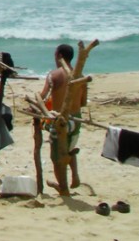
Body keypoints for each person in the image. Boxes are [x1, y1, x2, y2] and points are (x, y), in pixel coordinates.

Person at [42, 43, 86, 191]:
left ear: (59, 56)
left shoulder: (54, 75)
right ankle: (75, 176)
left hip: (60, 121)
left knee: (57, 157)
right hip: (76, 119)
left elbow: (43, 97)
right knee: (69, 149)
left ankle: (63, 187)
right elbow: (83, 102)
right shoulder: (80, 76)